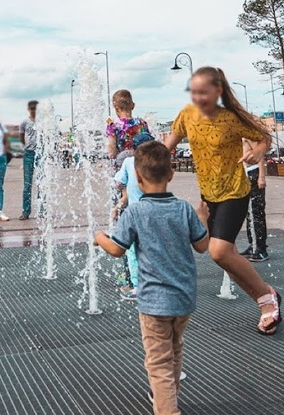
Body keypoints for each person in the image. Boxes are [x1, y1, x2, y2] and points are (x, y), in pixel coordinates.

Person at [164, 66, 282, 335]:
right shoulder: (187, 115)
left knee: (219, 251)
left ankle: (266, 299)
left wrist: (259, 152)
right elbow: (168, 145)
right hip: (208, 193)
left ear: (217, 92)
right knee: (215, 254)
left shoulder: (231, 119)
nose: (198, 98)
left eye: (203, 92)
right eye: (194, 92)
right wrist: (145, 165)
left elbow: (264, 137)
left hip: (234, 191)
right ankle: (266, 297)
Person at [94, 141, 209, 414]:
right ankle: (165, 398)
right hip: (183, 299)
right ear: (170, 175)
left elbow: (116, 249)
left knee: (158, 362)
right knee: (175, 350)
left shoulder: (135, 211)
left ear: (137, 177)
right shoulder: (183, 209)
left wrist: (99, 237)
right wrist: (202, 218)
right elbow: (203, 246)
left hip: (154, 303)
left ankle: (167, 409)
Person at [112, 132, 156, 301]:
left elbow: (118, 183)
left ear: (133, 149)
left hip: (135, 215)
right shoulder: (156, 164)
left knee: (132, 251)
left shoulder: (129, 161)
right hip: (155, 212)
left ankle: (138, 287)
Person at [241, 138, 268, 261]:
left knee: (256, 210)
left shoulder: (248, 136)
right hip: (246, 174)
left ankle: (261, 248)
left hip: (254, 173)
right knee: (249, 212)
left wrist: (261, 177)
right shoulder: (239, 135)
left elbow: (260, 156)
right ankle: (253, 244)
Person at [106, 89, 151, 159]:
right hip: (140, 163)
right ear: (133, 106)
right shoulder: (142, 123)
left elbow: (112, 151)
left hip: (122, 163)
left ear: (116, 108)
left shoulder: (113, 125)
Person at [19, 100, 39, 220]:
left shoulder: (42, 122)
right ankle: (26, 211)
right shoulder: (24, 122)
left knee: (42, 183)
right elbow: (21, 137)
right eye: (31, 109)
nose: (33, 111)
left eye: (35, 108)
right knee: (27, 184)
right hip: (29, 154)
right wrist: (25, 148)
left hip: (40, 154)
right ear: (28, 110)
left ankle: (43, 212)